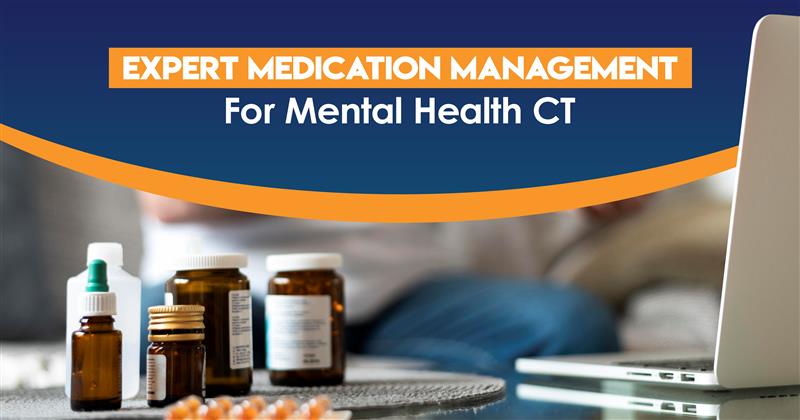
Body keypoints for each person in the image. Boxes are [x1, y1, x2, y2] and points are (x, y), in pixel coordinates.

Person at [138, 193, 644, 377]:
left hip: (398, 292)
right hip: (230, 289)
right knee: (144, 335)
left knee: (566, 327)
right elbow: (174, 199)